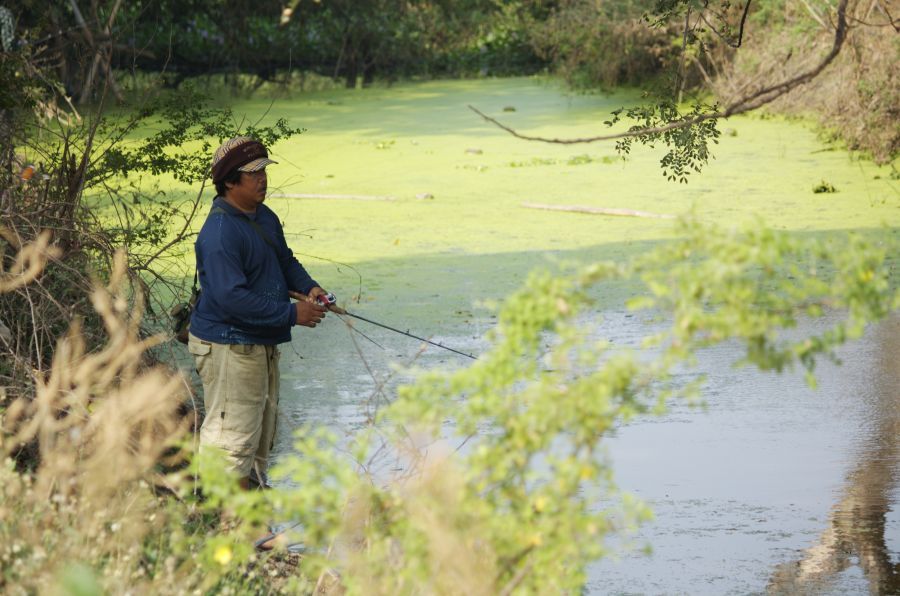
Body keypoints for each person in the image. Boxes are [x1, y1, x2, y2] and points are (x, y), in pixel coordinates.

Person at [187, 136, 328, 491]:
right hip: (229, 347)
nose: (262, 179)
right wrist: (292, 313)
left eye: (264, 171)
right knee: (230, 444)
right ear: (230, 181)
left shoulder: (264, 216)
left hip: (259, 343)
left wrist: (310, 288)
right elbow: (230, 299)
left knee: (259, 441)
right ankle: (220, 527)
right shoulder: (219, 233)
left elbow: (284, 261)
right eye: (252, 174)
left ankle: (250, 529)